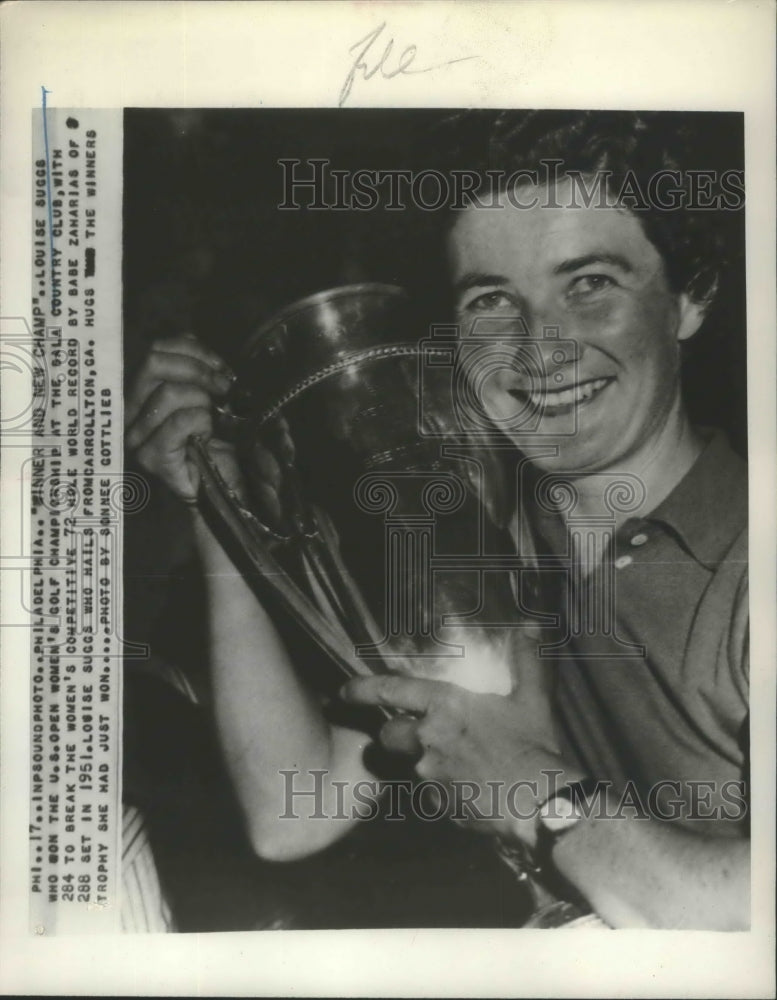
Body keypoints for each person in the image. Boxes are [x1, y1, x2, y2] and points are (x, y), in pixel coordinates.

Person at [125, 111, 749, 930]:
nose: (537, 349)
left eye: (588, 284)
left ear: (689, 297)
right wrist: (215, 502)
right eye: (492, 301)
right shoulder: (495, 530)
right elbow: (291, 812)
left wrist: (533, 795)